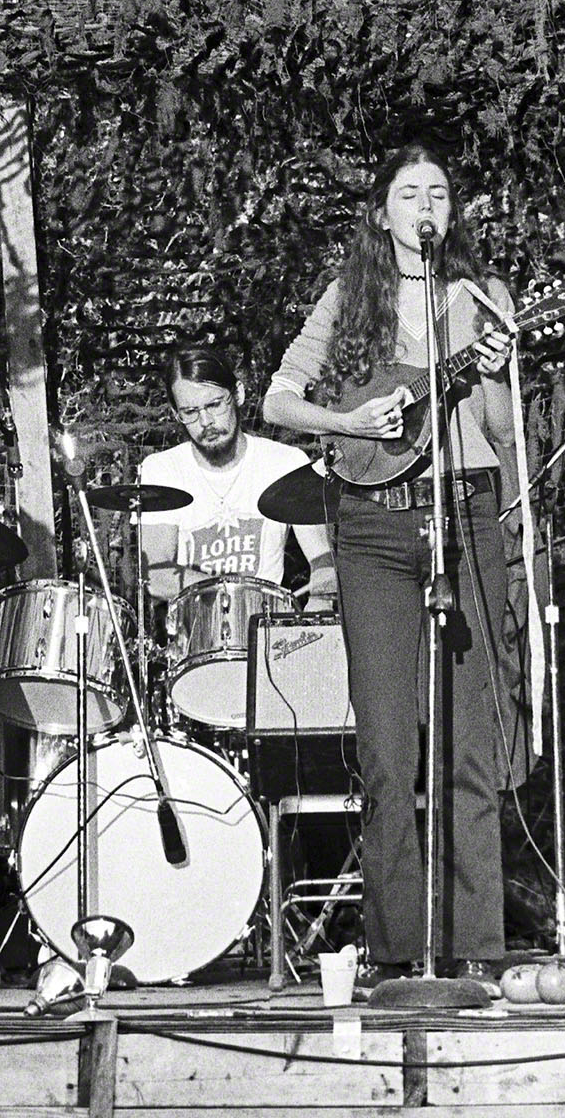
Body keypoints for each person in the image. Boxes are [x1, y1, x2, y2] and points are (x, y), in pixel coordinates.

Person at [262, 145, 522, 983]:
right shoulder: (349, 298)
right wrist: (349, 424)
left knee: (471, 739)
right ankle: (397, 947)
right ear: (382, 213)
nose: (426, 206)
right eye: (409, 193)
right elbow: (277, 397)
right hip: (372, 527)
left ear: (453, 212)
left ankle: (476, 945)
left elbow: (503, 431)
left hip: (466, 516)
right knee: (385, 745)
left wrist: (492, 371)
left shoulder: (482, 300)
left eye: (439, 193)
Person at [137, 343, 334, 613]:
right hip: (196, 637)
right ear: (175, 414)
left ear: (238, 394)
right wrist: (240, 594)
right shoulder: (162, 469)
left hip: (266, 633)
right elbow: (156, 576)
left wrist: (318, 605)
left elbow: (324, 558)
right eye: (190, 412)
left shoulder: (286, 462)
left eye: (215, 404)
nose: (206, 421)